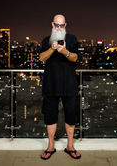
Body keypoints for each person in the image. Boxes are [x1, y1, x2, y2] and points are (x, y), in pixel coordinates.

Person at [39, 14, 81, 160]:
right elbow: (41, 57)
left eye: (61, 25)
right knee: (50, 115)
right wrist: (52, 49)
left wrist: (64, 51)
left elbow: (75, 58)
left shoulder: (72, 39)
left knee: (71, 114)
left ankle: (70, 146)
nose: (59, 27)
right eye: (56, 25)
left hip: (69, 83)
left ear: (65, 25)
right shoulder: (46, 40)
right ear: (52, 24)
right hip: (51, 83)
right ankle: (50, 147)